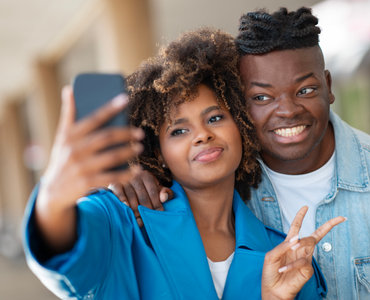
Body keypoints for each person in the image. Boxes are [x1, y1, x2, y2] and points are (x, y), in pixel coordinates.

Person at [111, 7, 370, 299]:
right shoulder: (220, 171)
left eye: (305, 90)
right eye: (262, 97)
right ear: (239, 103)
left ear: (329, 87)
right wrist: (132, 170)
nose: (287, 111)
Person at [22, 28, 345, 299]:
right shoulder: (122, 221)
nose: (202, 135)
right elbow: (63, 251)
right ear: (158, 151)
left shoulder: (283, 253)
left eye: (215, 117)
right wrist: (55, 196)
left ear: (241, 126)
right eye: (179, 130)